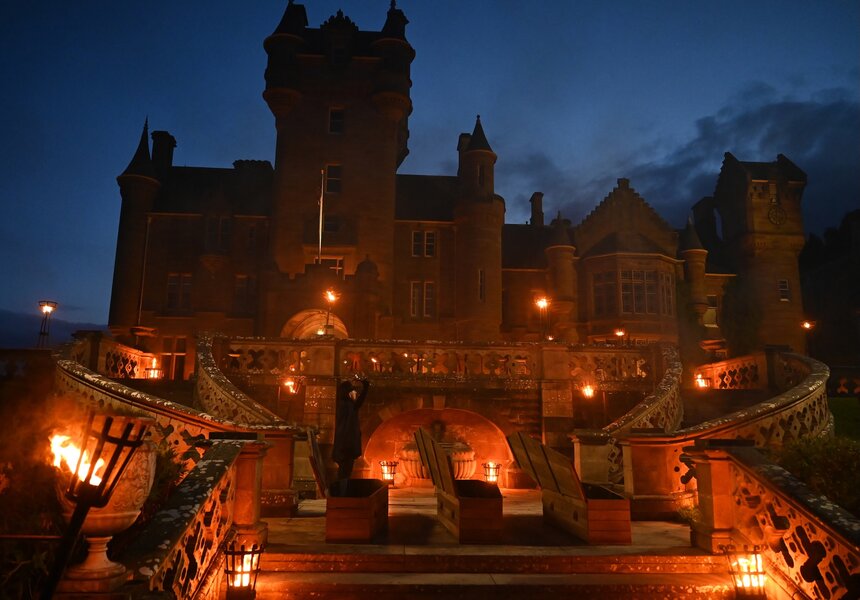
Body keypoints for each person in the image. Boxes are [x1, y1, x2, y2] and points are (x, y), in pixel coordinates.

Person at [332, 375, 370, 480]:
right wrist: (365, 388)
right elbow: (357, 405)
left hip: (345, 445)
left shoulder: (345, 404)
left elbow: (357, 405)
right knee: (345, 472)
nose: (353, 393)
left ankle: (342, 488)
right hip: (346, 445)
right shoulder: (346, 405)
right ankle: (342, 489)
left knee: (345, 472)